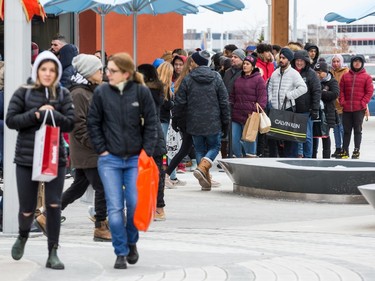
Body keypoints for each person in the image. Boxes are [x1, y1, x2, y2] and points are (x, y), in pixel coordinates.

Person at [87, 52, 158, 269]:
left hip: (136, 158)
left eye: (112, 71)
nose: (107, 73)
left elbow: (152, 123)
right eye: (107, 70)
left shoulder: (141, 92)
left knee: (134, 204)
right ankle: (120, 251)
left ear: (126, 73)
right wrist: (102, 150)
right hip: (110, 160)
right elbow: (93, 123)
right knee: (115, 208)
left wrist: (147, 151)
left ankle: (132, 242)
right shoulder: (101, 93)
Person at [6, 51, 75, 269]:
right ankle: (23, 235)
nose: (47, 73)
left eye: (52, 70)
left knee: (54, 204)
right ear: (37, 70)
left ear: (57, 72)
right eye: (43, 69)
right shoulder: (23, 92)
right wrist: (36, 114)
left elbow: (71, 123)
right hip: (27, 158)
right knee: (27, 208)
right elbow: (11, 120)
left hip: (55, 158)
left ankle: (52, 251)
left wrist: (52, 114)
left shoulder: (63, 94)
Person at [36, 54, 111, 241]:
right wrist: (98, 145)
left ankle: (47, 216)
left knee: (78, 188)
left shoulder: (90, 91)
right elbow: (79, 125)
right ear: (88, 72)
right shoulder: (78, 94)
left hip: (89, 149)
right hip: (89, 150)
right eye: (98, 69)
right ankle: (100, 226)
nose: (102, 72)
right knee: (103, 187)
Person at [174, 50, 230, 191]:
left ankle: (204, 179)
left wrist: (176, 118)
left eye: (192, 61)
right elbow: (224, 101)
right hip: (213, 120)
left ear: (197, 63)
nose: (190, 64)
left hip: (194, 120)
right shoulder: (216, 77)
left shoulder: (188, 78)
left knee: (199, 149)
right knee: (214, 147)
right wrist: (225, 121)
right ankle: (203, 168)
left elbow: (180, 102)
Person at [137, 63, 167, 221]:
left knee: (153, 174)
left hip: (147, 137)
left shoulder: (144, 93)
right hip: (156, 136)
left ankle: (158, 208)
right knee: (157, 174)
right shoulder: (157, 91)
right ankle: (157, 208)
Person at [267, 48, 307, 157]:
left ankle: (289, 160)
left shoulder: (294, 74)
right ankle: (276, 161)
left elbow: (303, 88)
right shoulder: (275, 73)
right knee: (274, 138)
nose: (281, 60)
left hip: (288, 109)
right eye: (280, 57)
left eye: (284, 58)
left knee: (289, 139)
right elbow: (269, 88)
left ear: (289, 60)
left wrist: (289, 96)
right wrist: (271, 100)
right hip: (275, 110)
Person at [337, 55, 374, 159]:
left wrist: (363, 103)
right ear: (352, 63)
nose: (357, 63)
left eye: (359, 62)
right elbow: (341, 90)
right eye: (355, 61)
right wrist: (342, 102)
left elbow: (369, 92)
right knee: (346, 130)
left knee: (357, 130)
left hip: (359, 109)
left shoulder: (366, 77)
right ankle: (345, 150)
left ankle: (356, 150)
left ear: (362, 63)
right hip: (347, 108)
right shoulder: (345, 76)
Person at [230, 55, 267, 157]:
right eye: (244, 63)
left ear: (253, 66)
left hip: (251, 115)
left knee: (250, 140)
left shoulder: (258, 79)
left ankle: (250, 160)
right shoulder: (238, 79)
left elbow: (262, 98)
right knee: (233, 139)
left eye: (247, 64)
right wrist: (231, 107)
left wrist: (254, 111)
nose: (245, 66)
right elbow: (232, 96)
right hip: (237, 114)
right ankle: (239, 157)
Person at [291, 50, 321, 158]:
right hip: (293, 109)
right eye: (297, 61)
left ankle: (308, 157)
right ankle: (298, 155)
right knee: (295, 136)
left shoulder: (311, 74)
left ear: (306, 61)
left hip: (306, 110)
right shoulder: (291, 72)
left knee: (307, 135)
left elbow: (317, 92)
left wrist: (315, 109)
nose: (299, 63)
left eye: (301, 61)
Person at [312, 62, 340, 158]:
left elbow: (334, 94)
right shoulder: (313, 81)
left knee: (325, 136)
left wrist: (319, 93)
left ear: (325, 72)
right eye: (316, 72)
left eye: (320, 73)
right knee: (314, 136)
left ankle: (326, 157)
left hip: (327, 113)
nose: (318, 75)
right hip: (315, 112)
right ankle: (312, 156)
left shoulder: (332, 81)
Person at [330, 54, 349, 157]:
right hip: (332, 105)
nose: (336, 63)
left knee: (342, 128)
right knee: (335, 128)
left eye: (338, 61)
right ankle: (337, 147)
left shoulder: (346, 72)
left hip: (342, 105)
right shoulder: (330, 72)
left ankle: (344, 148)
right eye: (334, 61)